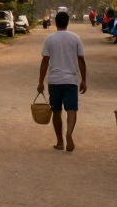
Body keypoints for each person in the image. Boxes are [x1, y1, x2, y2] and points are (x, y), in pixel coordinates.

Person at [37, 11, 86, 152]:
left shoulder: (50, 39)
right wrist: (84, 80)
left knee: (56, 110)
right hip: (71, 80)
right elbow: (81, 60)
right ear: (68, 22)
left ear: (55, 22)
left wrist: (40, 82)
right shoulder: (75, 38)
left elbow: (45, 61)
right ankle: (69, 132)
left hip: (55, 80)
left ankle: (59, 142)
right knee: (72, 109)